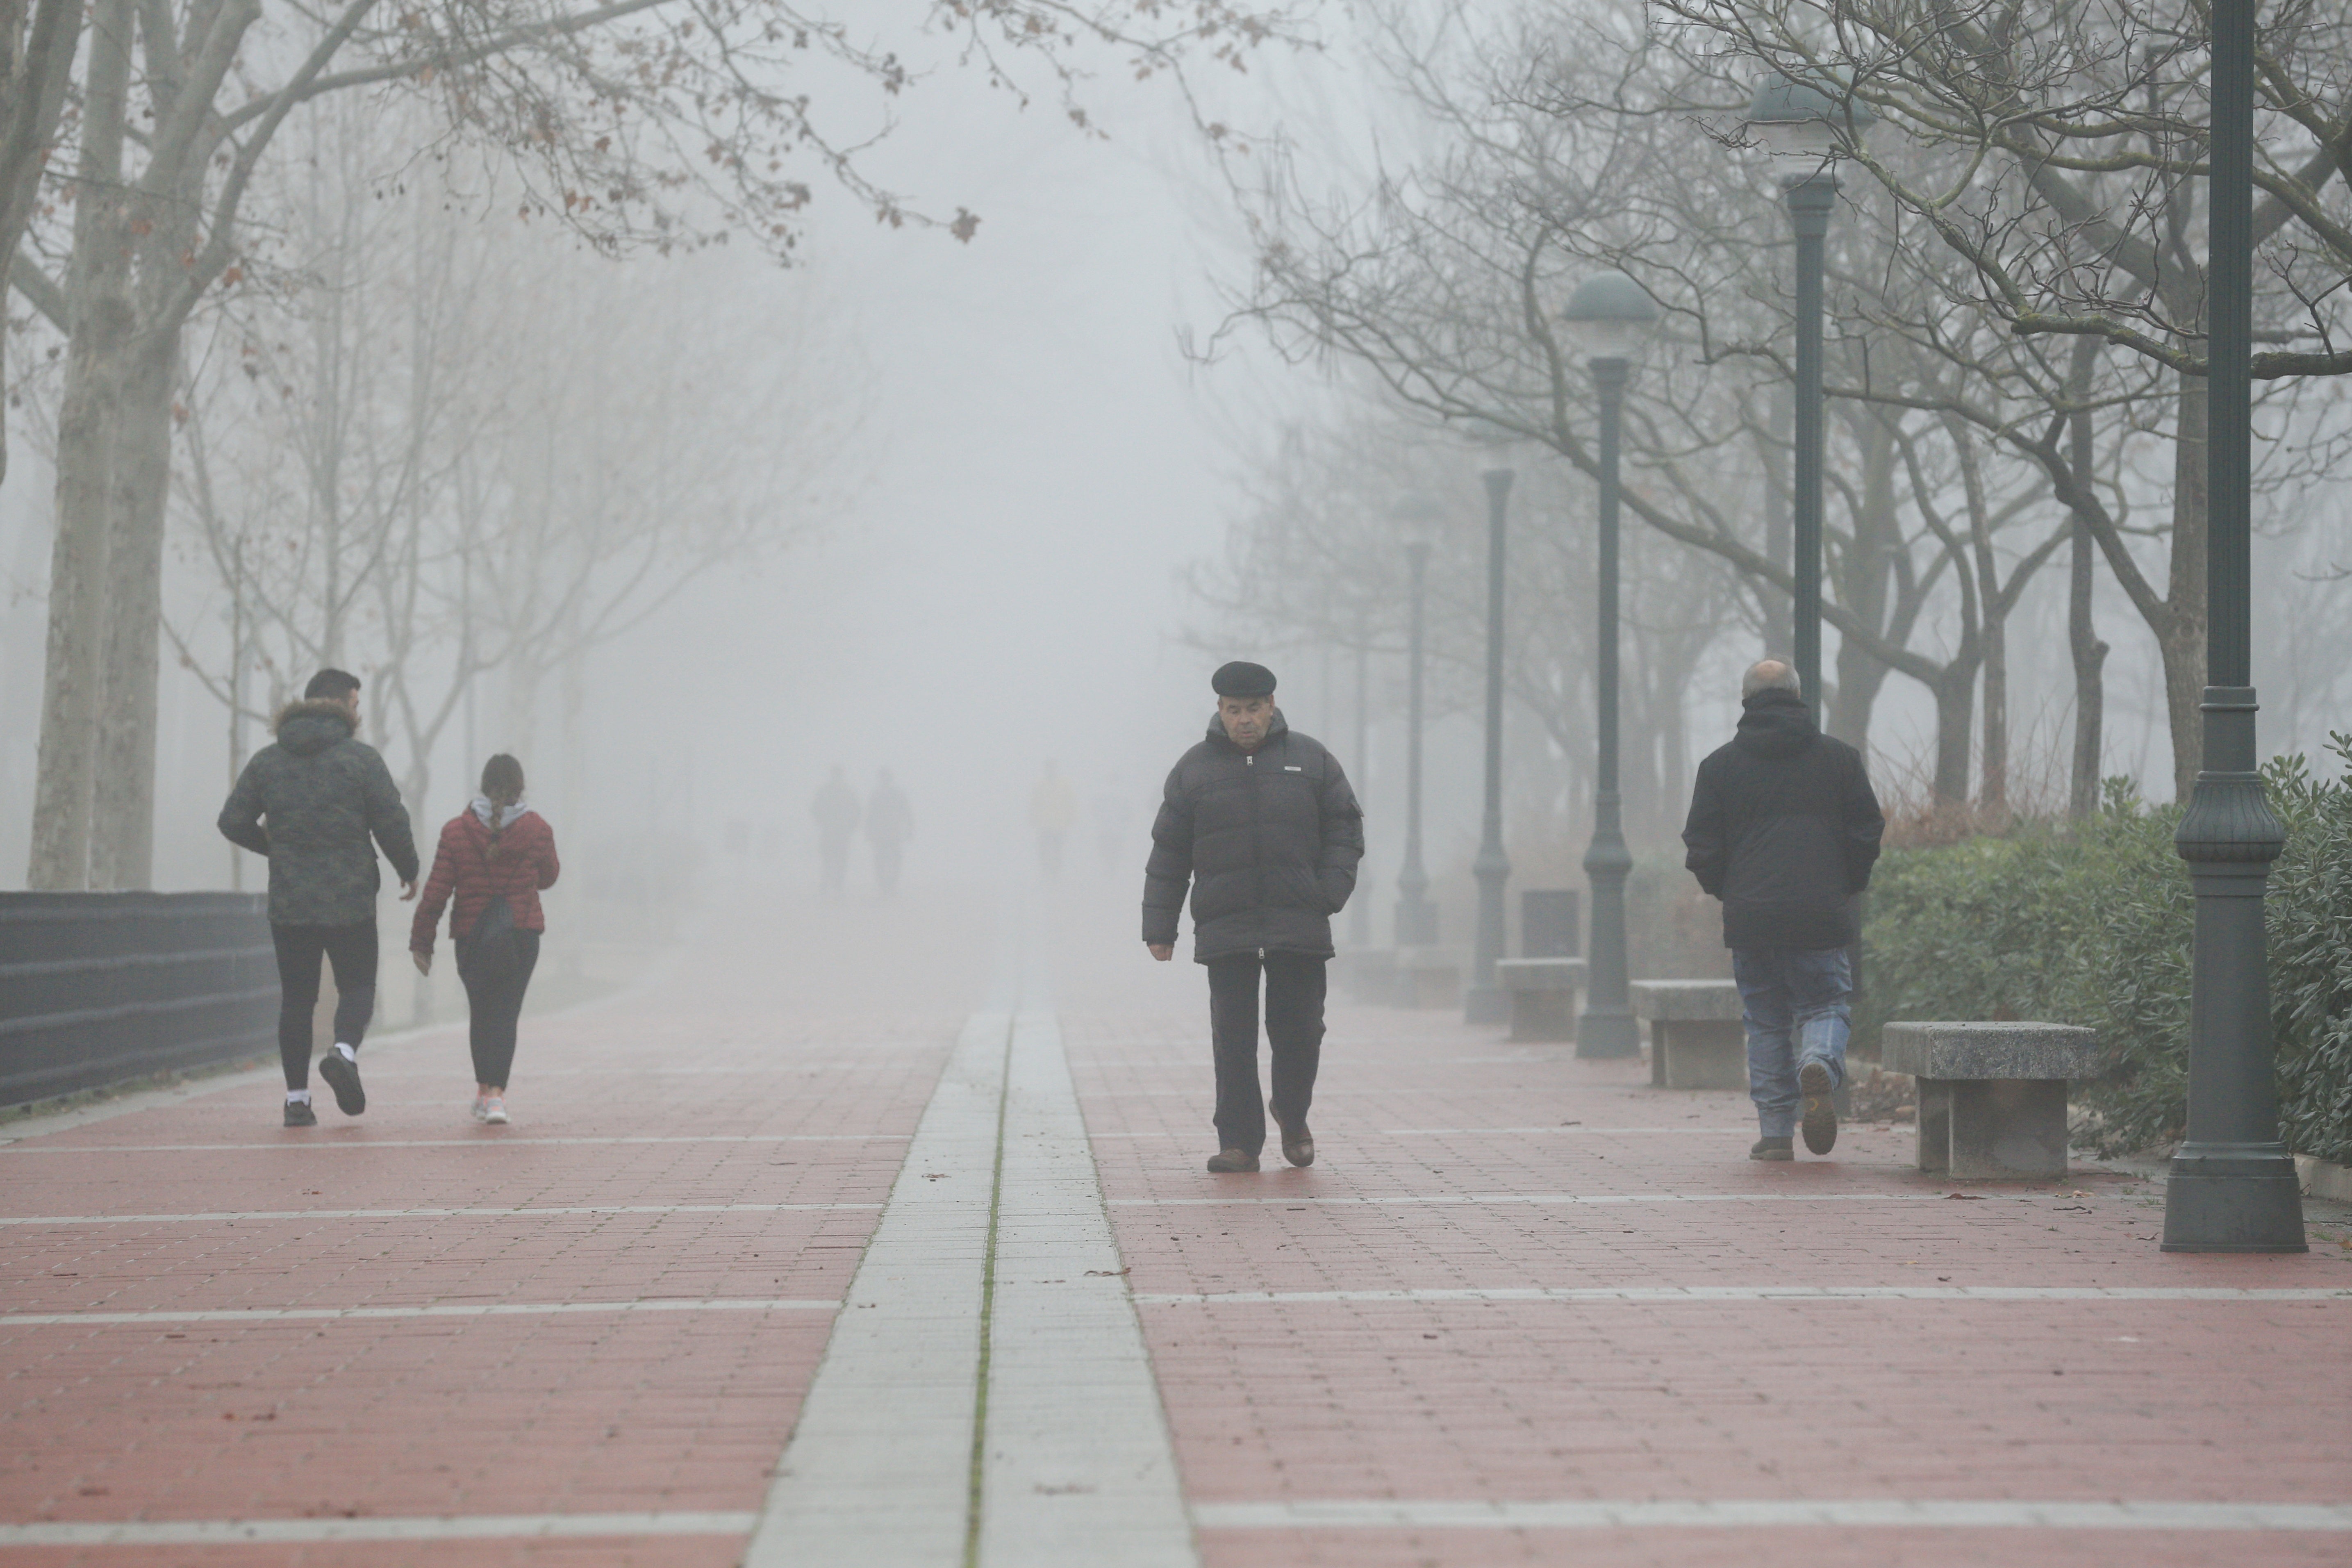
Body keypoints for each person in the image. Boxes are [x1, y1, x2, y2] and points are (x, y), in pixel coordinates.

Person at [1143, 661, 1364, 1173]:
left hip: (1298, 924)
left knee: (1301, 1030)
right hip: (1227, 925)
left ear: (1271, 706)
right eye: (1234, 710)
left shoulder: (1312, 761)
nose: (1245, 720)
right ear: (1220, 710)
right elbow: (1168, 852)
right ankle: (1239, 1142)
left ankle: (1292, 1113)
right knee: (1233, 1036)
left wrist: (1326, 892)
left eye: (1254, 709)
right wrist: (1160, 926)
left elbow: (1344, 829)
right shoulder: (1193, 770)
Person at [1681, 659, 1885, 1161]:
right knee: (1825, 1005)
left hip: (1751, 917)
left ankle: (1775, 1133)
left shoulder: (1719, 767)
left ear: (1746, 702)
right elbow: (1866, 830)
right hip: (1819, 911)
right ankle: (1816, 1061)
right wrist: (1847, 884)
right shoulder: (1839, 760)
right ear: (1798, 697)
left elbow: (1700, 846)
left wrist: (1730, 891)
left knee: (1766, 1021)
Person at [218, 668, 419, 1127]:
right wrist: (408, 870)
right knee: (358, 987)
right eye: (355, 703)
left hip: (290, 901)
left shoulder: (269, 761)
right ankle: (343, 1052)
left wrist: (275, 846)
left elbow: (232, 821)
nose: (359, 713)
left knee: (297, 999)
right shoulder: (361, 761)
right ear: (340, 705)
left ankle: (296, 1101)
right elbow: (391, 821)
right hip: (349, 898)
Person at [409, 755, 561, 1126]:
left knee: (482, 1011)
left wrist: (422, 942)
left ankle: (484, 1091)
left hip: (472, 936)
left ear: (483, 785)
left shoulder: (456, 831)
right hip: (521, 934)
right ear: (521, 787)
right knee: (506, 1013)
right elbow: (550, 876)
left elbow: (437, 891)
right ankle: (496, 1097)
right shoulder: (537, 829)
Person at [811, 765, 860, 897]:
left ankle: (827, 880)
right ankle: (837, 882)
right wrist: (852, 825)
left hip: (830, 828)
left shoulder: (826, 790)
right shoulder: (847, 791)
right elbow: (856, 810)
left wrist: (821, 821)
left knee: (828, 857)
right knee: (840, 857)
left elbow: (816, 808)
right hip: (841, 829)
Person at [865, 769, 914, 896]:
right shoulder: (890, 794)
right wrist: (910, 829)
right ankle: (888, 883)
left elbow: (906, 812)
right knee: (888, 858)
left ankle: (887, 883)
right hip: (888, 832)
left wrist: (910, 828)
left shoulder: (882, 794)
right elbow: (871, 815)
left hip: (888, 832)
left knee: (887, 858)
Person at [1030, 760, 1079, 881]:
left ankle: (1056, 871)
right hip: (1044, 824)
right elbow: (1034, 803)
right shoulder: (1040, 785)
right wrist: (1032, 818)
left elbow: (1070, 802)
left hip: (1060, 824)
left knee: (1058, 849)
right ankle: (1046, 870)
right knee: (1044, 849)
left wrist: (1072, 818)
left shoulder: (1064, 785)